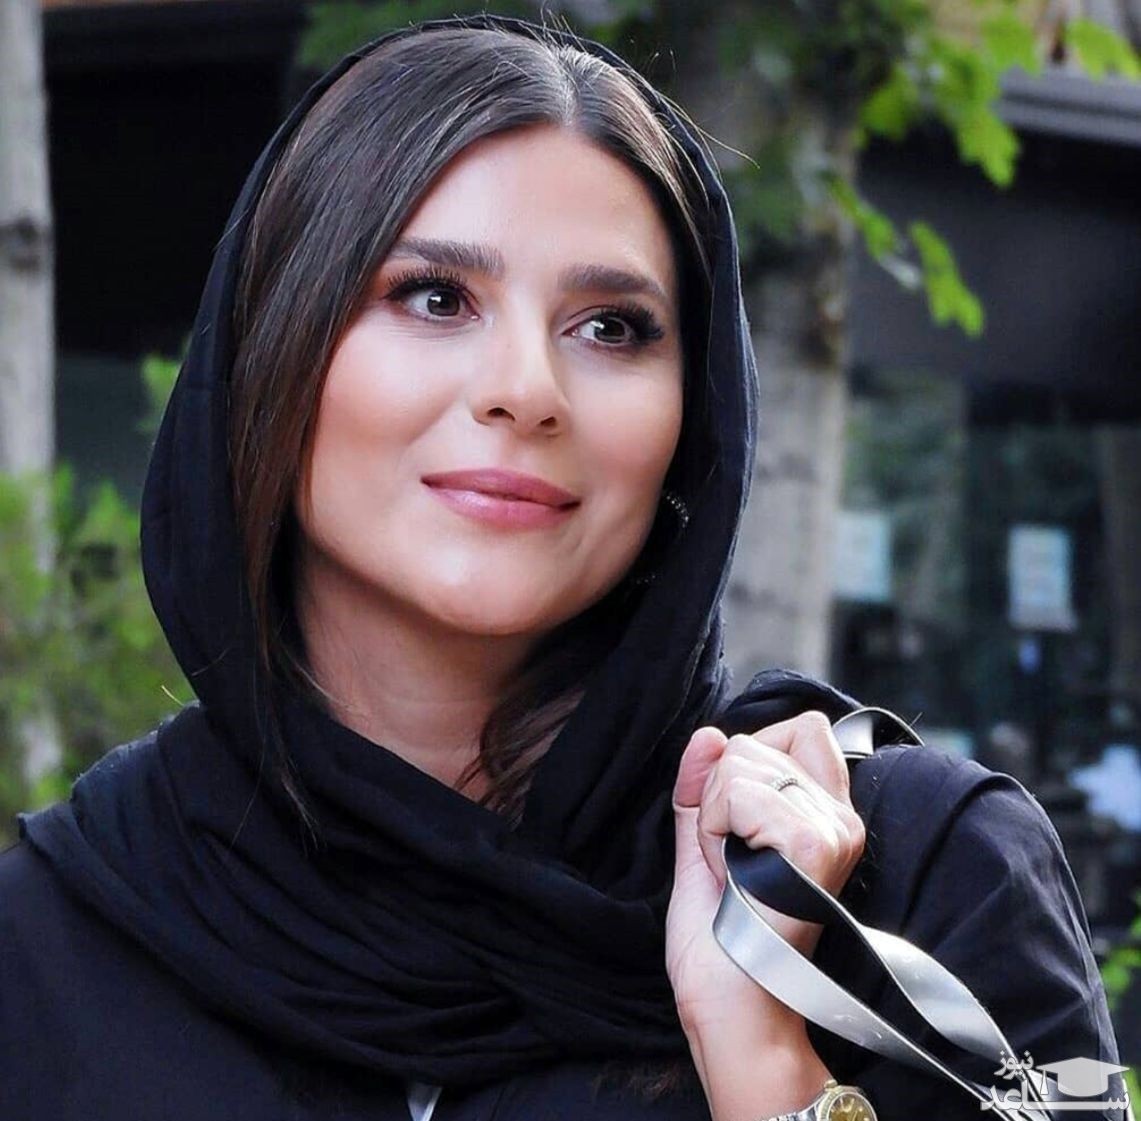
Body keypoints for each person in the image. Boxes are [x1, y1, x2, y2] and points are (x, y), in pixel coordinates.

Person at [0, 14, 1125, 1121]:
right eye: (435, 298)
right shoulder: (55, 943)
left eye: (611, 327)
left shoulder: (919, 877)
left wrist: (763, 1049)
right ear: (268, 352)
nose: (526, 390)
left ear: (693, 419)